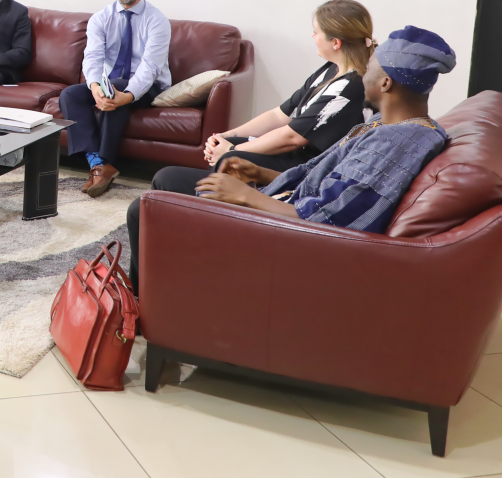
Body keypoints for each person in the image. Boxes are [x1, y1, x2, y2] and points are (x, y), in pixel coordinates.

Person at [124, 26, 456, 292]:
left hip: (289, 236)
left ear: (386, 83)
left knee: (145, 208)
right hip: (286, 201)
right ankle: (156, 291)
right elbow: (326, 178)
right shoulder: (390, 125)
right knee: (166, 179)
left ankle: (147, 307)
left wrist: (245, 196)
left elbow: (326, 220)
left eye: (369, 67)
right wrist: (261, 174)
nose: (362, 73)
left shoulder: (395, 144)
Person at [147, 0, 374, 197]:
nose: (312, 36)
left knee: (229, 158)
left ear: (336, 43)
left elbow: (292, 138)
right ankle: (203, 201)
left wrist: (231, 152)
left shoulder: (350, 87)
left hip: (307, 166)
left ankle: (207, 206)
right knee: (230, 147)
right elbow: (280, 114)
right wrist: (225, 136)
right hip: (295, 153)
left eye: (316, 32)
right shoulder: (330, 70)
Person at [59, 0, 171, 198]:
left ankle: (104, 163)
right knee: (70, 94)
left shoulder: (157, 21)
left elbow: (150, 67)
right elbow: (92, 58)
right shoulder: (101, 18)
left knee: (117, 86)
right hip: (111, 83)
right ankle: (98, 164)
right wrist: (94, 86)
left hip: (149, 87)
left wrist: (127, 96)